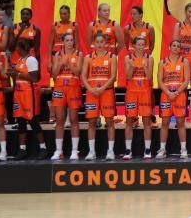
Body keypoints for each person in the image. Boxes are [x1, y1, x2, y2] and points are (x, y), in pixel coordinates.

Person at [81, 32, 117, 161]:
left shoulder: (112, 57)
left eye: (102, 42)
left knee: (109, 121)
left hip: (106, 91)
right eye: (98, 42)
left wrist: (102, 88)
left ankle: (110, 151)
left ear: (106, 43)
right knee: (91, 122)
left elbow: (113, 76)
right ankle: (91, 151)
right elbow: (83, 76)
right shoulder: (88, 57)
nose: (100, 44)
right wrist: (90, 89)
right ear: (94, 43)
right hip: (92, 93)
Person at [10, 39, 46, 160]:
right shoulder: (20, 60)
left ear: (22, 48)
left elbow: (34, 78)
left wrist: (17, 74)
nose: (16, 50)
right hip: (19, 93)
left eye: (17, 48)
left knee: (33, 120)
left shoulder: (31, 60)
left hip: (29, 93)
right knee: (20, 122)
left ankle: (43, 148)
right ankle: (22, 149)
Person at [50, 33, 82, 160]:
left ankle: (75, 151)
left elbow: (79, 72)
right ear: (63, 42)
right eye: (67, 40)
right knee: (60, 120)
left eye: (71, 40)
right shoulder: (57, 54)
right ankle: (58, 151)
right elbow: (54, 74)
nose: (69, 42)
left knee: (74, 119)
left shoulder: (78, 54)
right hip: (59, 87)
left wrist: (68, 64)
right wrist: (60, 63)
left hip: (73, 87)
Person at [158, 40, 191, 158]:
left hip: (179, 95)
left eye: (178, 46)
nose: (176, 48)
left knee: (180, 122)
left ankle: (183, 149)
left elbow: (186, 80)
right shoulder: (162, 62)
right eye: (174, 46)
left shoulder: (184, 62)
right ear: (169, 47)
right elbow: (160, 81)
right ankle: (162, 149)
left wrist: (176, 92)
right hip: (166, 95)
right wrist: (168, 92)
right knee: (165, 122)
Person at [123, 36, 154, 159]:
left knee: (146, 121)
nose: (141, 47)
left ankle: (147, 149)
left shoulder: (149, 58)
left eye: (143, 45)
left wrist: (145, 67)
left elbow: (150, 77)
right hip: (132, 92)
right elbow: (128, 77)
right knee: (130, 121)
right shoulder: (128, 58)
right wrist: (131, 66)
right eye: (139, 44)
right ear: (134, 46)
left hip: (145, 92)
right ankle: (128, 150)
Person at [174, 3, 191, 71]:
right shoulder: (178, 25)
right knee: (182, 78)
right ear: (185, 12)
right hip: (182, 55)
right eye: (190, 12)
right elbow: (175, 44)